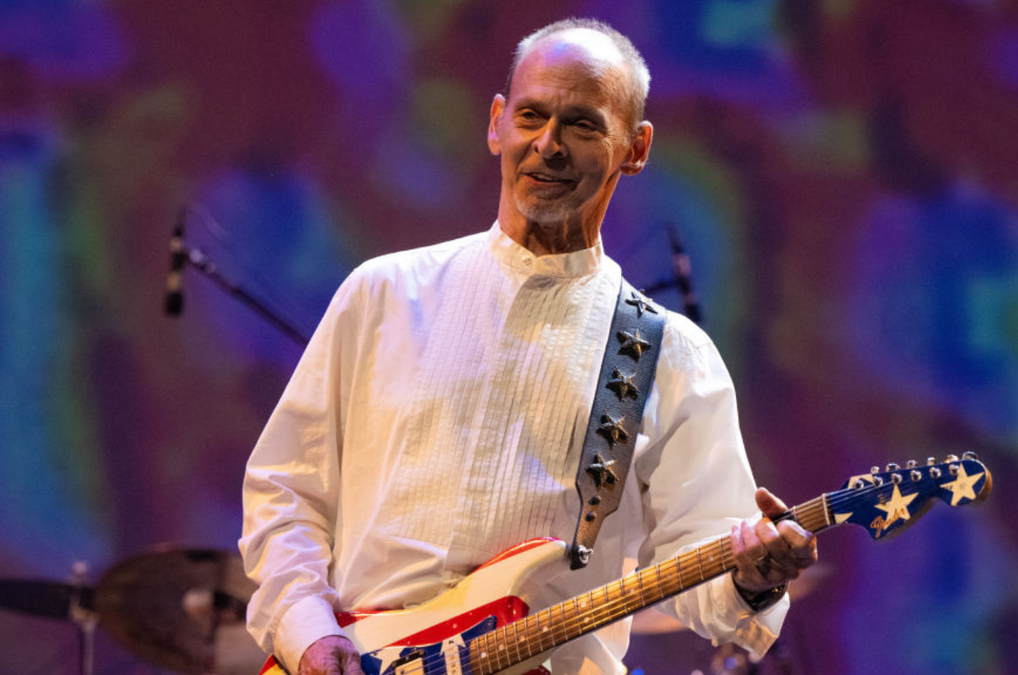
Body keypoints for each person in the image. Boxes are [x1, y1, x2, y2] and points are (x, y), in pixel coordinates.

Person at [240, 18, 817, 675]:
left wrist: (754, 576)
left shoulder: (668, 354)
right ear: (496, 123)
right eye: (532, 116)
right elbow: (286, 495)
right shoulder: (384, 294)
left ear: (635, 147)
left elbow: (708, 570)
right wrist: (310, 634)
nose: (548, 144)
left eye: (582, 124)